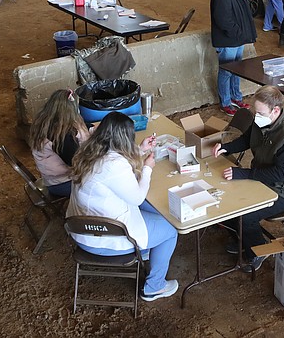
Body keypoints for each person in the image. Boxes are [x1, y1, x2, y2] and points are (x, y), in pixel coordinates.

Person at [66, 112, 179, 302]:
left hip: (80, 230)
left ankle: (145, 250)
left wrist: (140, 150)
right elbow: (136, 197)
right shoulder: (114, 165)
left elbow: (113, 164)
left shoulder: (87, 151)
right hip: (106, 241)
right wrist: (148, 168)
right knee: (170, 230)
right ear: (124, 139)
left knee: (153, 209)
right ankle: (154, 286)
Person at [212, 85, 284, 272]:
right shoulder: (262, 120)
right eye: (255, 111)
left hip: (283, 189)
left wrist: (242, 173)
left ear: (276, 110)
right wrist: (227, 148)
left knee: (246, 215)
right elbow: (247, 139)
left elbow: (279, 174)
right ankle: (241, 238)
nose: (256, 116)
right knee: (226, 200)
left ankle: (258, 252)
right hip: (260, 177)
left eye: (260, 112)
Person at [210, 0, 257, 117]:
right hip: (229, 40)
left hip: (238, 38)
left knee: (237, 70)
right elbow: (223, 19)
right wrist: (238, 32)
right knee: (226, 71)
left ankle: (236, 97)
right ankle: (225, 102)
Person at [29, 89, 90, 197]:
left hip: (52, 179)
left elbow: (80, 125)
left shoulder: (46, 121)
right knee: (104, 179)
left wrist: (91, 128)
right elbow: (77, 163)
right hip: (62, 184)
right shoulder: (61, 136)